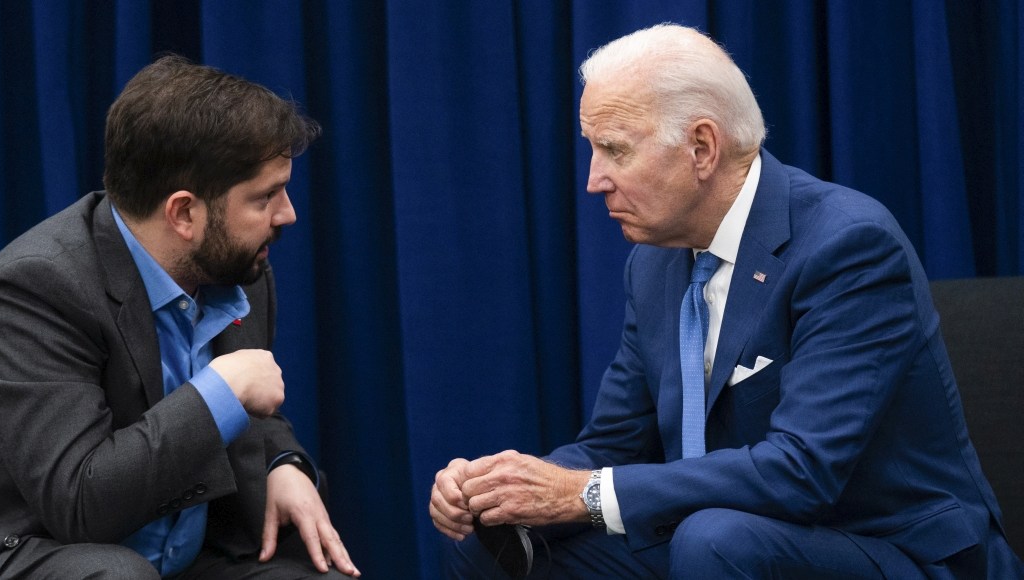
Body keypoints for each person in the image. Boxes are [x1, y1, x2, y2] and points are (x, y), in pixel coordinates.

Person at [430, 24, 1023, 579]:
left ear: (702, 148)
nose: (593, 180)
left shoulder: (847, 245)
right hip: (724, 539)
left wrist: (580, 493)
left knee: (712, 539)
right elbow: (612, 445)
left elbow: (802, 470)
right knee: (490, 545)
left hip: (889, 547)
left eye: (615, 150)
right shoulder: (654, 263)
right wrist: (500, 489)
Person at [0, 55, 359, 579]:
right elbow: (79, 503)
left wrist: (282, 462)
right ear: (184, 212)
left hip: (167, 556)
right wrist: (220, 393)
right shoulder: (37, 286)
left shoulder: (238, 267)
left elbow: (252, 405)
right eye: (265, 196)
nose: (288, 213)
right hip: (4, 546)